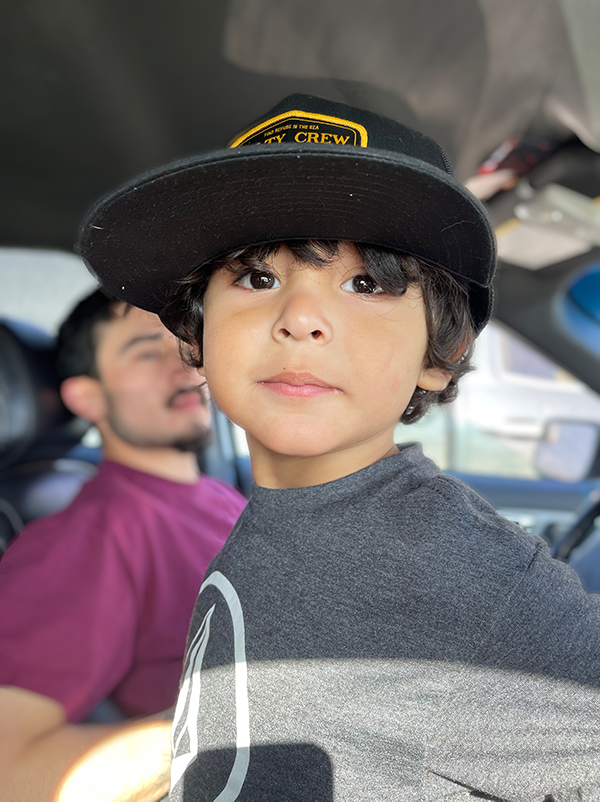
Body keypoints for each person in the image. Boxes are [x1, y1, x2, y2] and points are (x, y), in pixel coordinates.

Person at [80, 95, 600, 801]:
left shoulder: (466, 579)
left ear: (439, 355)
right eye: (257, 278)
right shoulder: (287, 519)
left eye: (368, 282)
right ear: (199, 337)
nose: (300, 318)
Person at [0, 290, 247, 802]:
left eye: (186, 345)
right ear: (87, 399)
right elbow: (8, 771)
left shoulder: (219, 495)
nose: (187, 368)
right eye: (146, 352)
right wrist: (253, 720)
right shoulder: (82, 542)